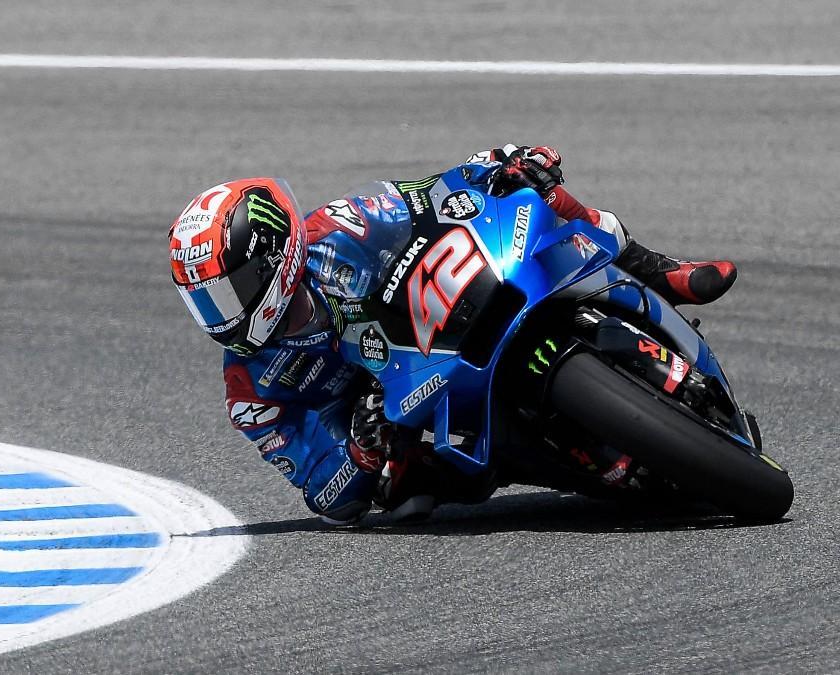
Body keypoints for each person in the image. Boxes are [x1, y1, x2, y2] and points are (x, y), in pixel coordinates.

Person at [168, 145, 737, 524]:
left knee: (532, 187)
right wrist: (363, 456)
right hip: (403, 425)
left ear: (273, 253)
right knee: (407, 504)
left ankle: (658, 269)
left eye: (227, 291)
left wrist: (495, 165)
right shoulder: (252, 389)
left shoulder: (338, 226)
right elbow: (323, 491)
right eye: (205, 300)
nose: (223, 313)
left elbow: (432, 197)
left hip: (446, 319)